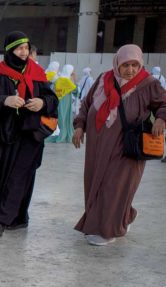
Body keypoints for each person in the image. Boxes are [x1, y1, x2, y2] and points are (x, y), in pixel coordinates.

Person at [72, 44, 166, 246]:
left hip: (127, 146)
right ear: (117, 64)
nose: (130, 70)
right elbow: (87, 105)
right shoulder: (103, 80)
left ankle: (107, 230)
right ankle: (122, 216)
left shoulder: (148, 84)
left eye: (135, 65)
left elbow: (164, 103)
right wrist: (79, 126)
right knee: (96, 183)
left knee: (115, 186)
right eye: (126, 65)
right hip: (97, 147)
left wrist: (161, 119)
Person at [0, 31, 58, 237]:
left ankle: (2, 220)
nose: (23, 52)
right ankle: (17, 218)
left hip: (30, 135)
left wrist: (42, 102)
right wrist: (4, 101)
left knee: (20, 176)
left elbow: (52, 100)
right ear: (9, 50)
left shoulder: (37, 72)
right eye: (19, 48)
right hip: (4, 134)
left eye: (26, 48)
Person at [46, 64, 77, 143]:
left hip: (61, 100)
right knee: (65, 116)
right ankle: (64, 134)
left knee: (62, 116)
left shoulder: (59, 79)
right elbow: (75, 90)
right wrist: (73, 79)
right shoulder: (66, 80)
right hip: (66, 101)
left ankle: (63, 133)